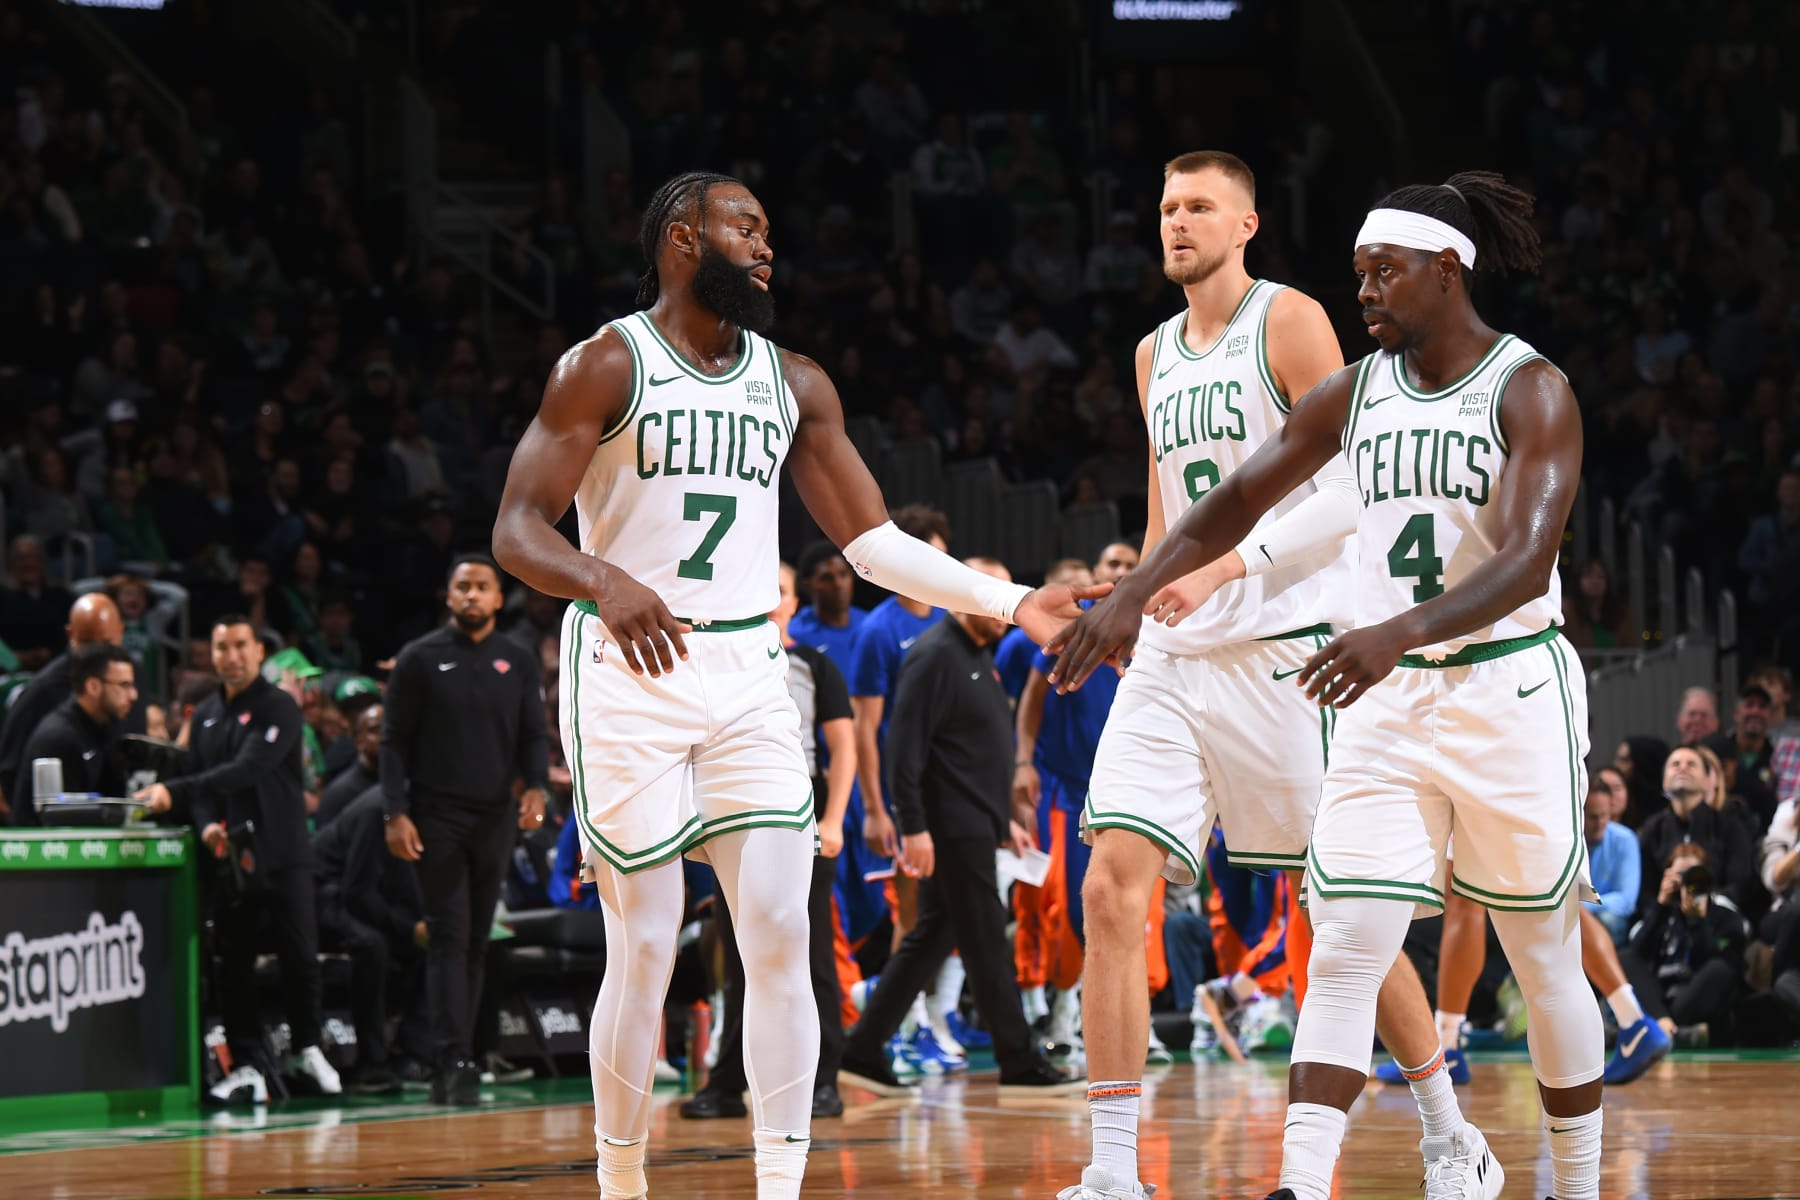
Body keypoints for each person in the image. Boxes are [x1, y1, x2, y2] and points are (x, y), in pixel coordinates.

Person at [489, 169, 1094, 1200]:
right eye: (747, 229)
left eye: (770, 231)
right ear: (684, 238)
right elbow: (514, 529)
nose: (768, 248)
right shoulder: (604, 363)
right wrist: (600, 577)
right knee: (639, 944)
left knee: (778, 931)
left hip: (747, 673)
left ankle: (782, 1185)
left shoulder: (795, 381)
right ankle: (620, 1180)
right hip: (631, 671)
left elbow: (875, 543)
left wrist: (1014, 599)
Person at [1049, 171, 1607, 1200]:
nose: (1366, 293)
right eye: (1358, 273)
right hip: (1380, 691)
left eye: (1383, 273)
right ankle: (1297, 1184)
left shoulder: (1532, 388)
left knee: (1541, 952)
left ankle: (1570, 1181)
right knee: (1344, 932)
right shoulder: (1355, 392)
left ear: (1447, 271)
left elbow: (1529, 562)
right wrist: (1138, 589)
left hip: (1501, 689)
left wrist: (1391, 629)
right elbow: (1234, 497)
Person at [839, 557, 1079, 1095]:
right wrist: (914, 826)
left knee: (931, 937)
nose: (1003, 609)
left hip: (975, 825)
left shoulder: (974, 655)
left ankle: (860, 1050)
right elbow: (904, 751)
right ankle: (1018, 1062)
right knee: (987, 940)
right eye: (991, 594)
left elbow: (972, 756)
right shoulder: (934, 656)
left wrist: (1003, 825)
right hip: (949, 828)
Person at [134, 615, 341, 1104]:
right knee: (235, 964)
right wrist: (204, 821)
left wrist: (176, 792)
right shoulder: (204, 714)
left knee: (299, 958)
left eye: (240, 646)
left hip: (284, 853)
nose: (231, 655)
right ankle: (247, 1062)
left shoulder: (279, 709)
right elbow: (204, 778)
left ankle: (306, 1048)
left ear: (258, 652)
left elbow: (246, 769)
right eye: (221, 646)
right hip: (229, 859)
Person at [682, 562, 856, 1120]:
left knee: (811, 953)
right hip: (734, 811)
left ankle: (824, 1080)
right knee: (736, 954)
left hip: (800, 810)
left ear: (790, 601)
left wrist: (832, 821)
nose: (768, 597)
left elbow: (845, 749)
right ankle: (727, 1081)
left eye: (779, 589)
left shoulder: (813, 664)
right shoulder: (714, 659)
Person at [380, 555, 549, 1106]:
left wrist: (535, 789)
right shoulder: (419, 658)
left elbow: (532, 735)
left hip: (494, 816)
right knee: (449, 937)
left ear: (499, 598)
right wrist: (395, 812)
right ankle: (449, 1058)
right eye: (463, 587)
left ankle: (465, 1055)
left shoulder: (517, 661)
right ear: (447, 596)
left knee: (477, 940)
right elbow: (392, 743)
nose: (472, 595)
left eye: (482, 587)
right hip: (436, 817)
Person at [313, 788, 424, 1095]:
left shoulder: (422, 809)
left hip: (356, 895)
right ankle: (370, 1065)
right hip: (321, 892)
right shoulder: (378, 811)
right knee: (371, 945)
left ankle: (412, 1055)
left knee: (435, 942)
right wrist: (408, 927)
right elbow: (357, 893)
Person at [0, 591, 140, 821]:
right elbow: (9, 774)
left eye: (105, 644)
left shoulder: (130, 674)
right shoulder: (42, 694)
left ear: (121, 633)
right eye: (88, 642)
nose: (97, 655)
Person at [14, 643, 137, 812]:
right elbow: (63, 818)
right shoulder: (59, 737)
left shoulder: (107, 726)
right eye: (124, 685)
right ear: (93, 686)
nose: (133, 695)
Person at [318, 701, 382, 827]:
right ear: (359, 741)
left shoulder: (405, 780)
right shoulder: (339, 793)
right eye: (375, 730)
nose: (384, 736)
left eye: (389, 728)